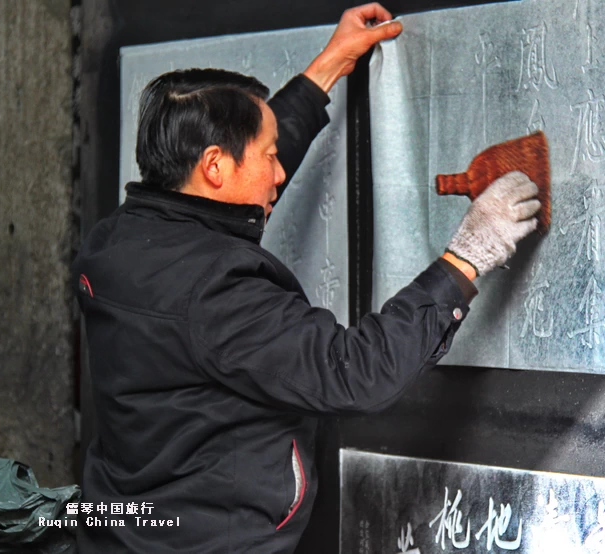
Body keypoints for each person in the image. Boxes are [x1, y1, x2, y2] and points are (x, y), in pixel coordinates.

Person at [73, 3, 541, 553]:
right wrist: (468, 255)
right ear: (215, 166)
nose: (278, 173)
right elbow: (355, 372)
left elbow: (251, 176)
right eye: (268, 157)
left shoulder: (120, 240)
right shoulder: (216, 293)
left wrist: (328, 66)